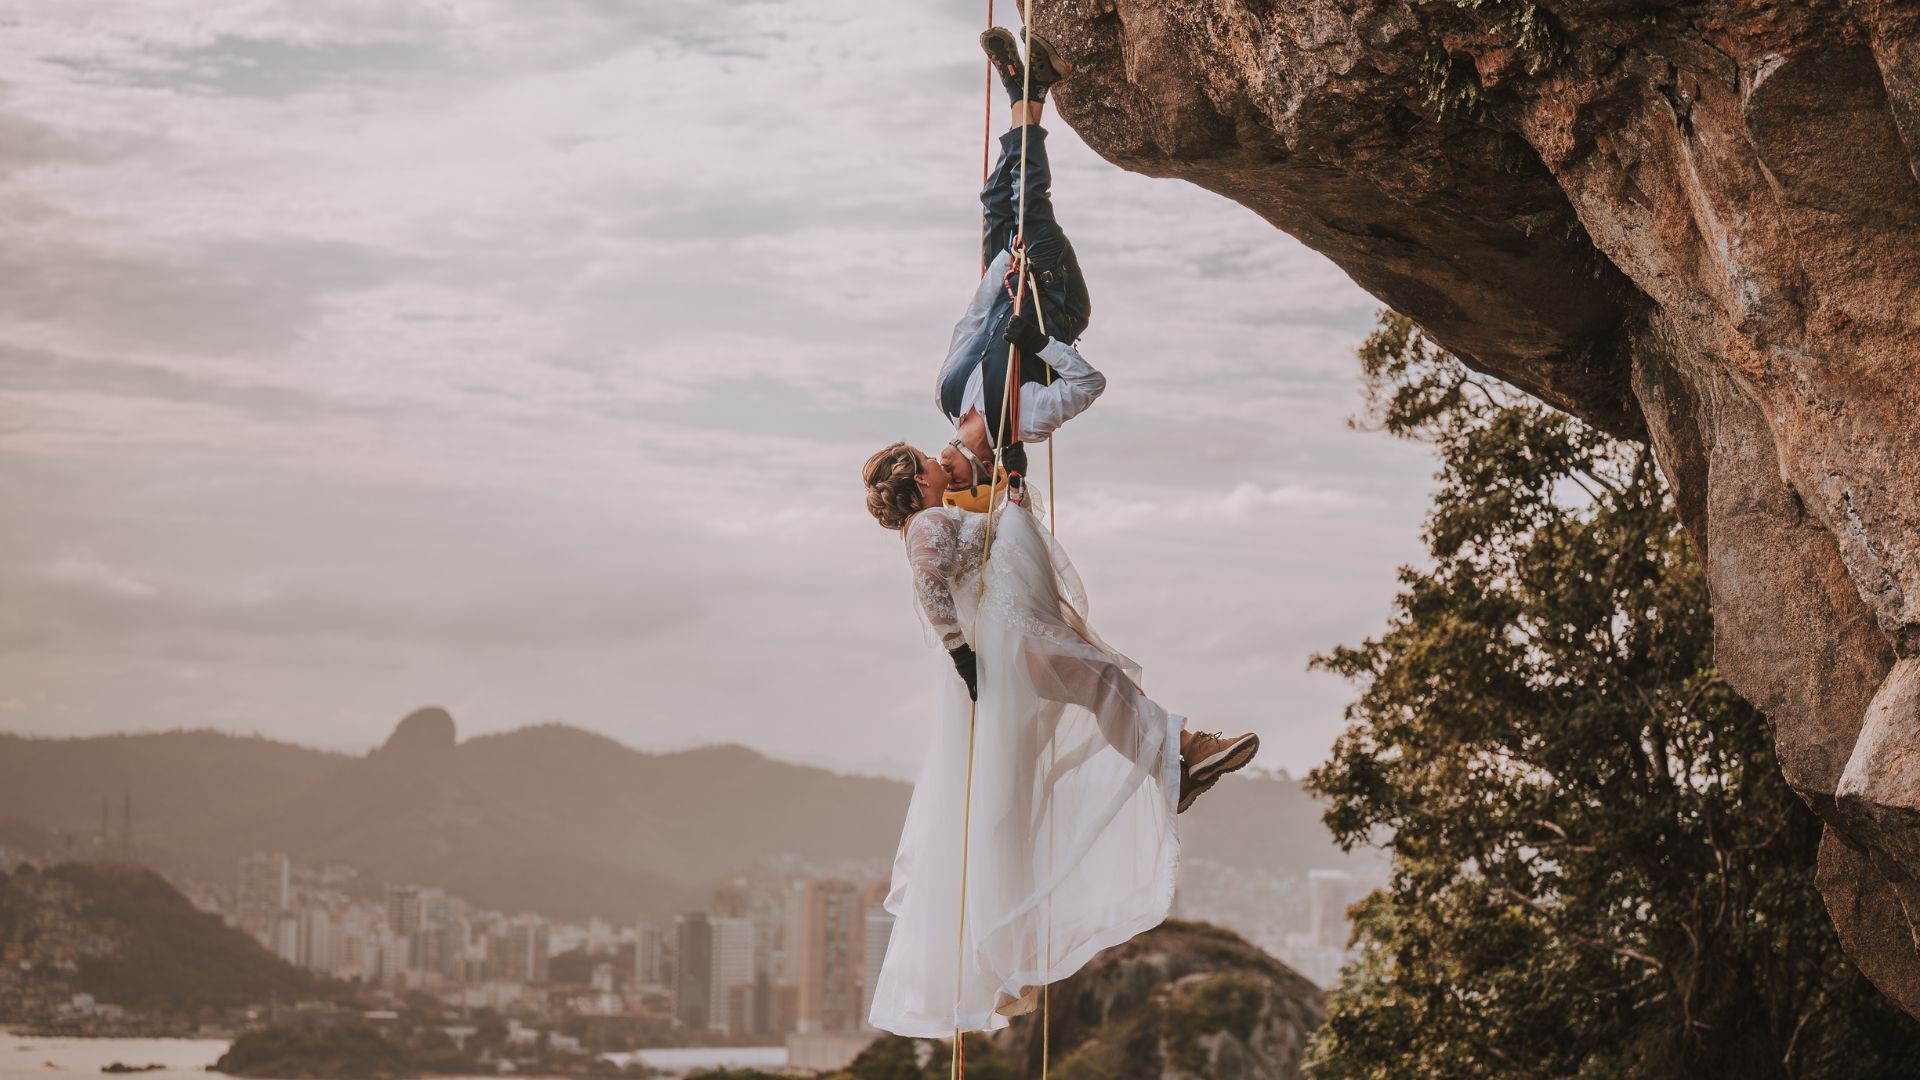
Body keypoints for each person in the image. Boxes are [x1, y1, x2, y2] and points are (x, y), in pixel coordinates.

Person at [858, 440, 1260, 1036]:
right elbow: (930, 581)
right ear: (916, 479)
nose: (940, 462)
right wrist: (959, 648)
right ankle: (1178, 755)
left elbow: (991, 546)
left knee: (1099, 690)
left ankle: (1176, 759)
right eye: (929, 460)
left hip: (1015, 642)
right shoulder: (928, 521)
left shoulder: (947, 515)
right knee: (1101, 683)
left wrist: (1008, 487)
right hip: (1009, 645)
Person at [934, 28, 1103, 500]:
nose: (950, 474)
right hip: (1055, 297)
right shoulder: (1024, 422)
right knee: (1029, 202)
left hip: (1004, 280)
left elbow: (969, 325)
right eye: (961, 484)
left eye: (943, 480)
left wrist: (1002, 263)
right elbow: (1090, 383)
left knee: (995, 199)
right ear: (988, 471)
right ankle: (1022, 91)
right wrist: (1041, 344)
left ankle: (1033, 89)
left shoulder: (947, 396)